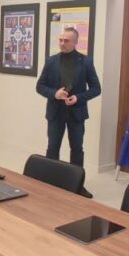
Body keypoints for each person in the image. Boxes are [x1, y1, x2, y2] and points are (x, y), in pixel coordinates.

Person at [36, 27, 101, 197]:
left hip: (76, 113)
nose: (62, 43)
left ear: (75, 42)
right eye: (60, 40)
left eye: (66, 40)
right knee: (52, 148)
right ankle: (50, 183)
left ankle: (77, 185)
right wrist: (54, 94)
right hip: (55, 112)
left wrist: (79, 98)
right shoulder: (51, 61)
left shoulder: (86, 62)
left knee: (77, 149)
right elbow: (40, 86)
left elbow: (96, 89)